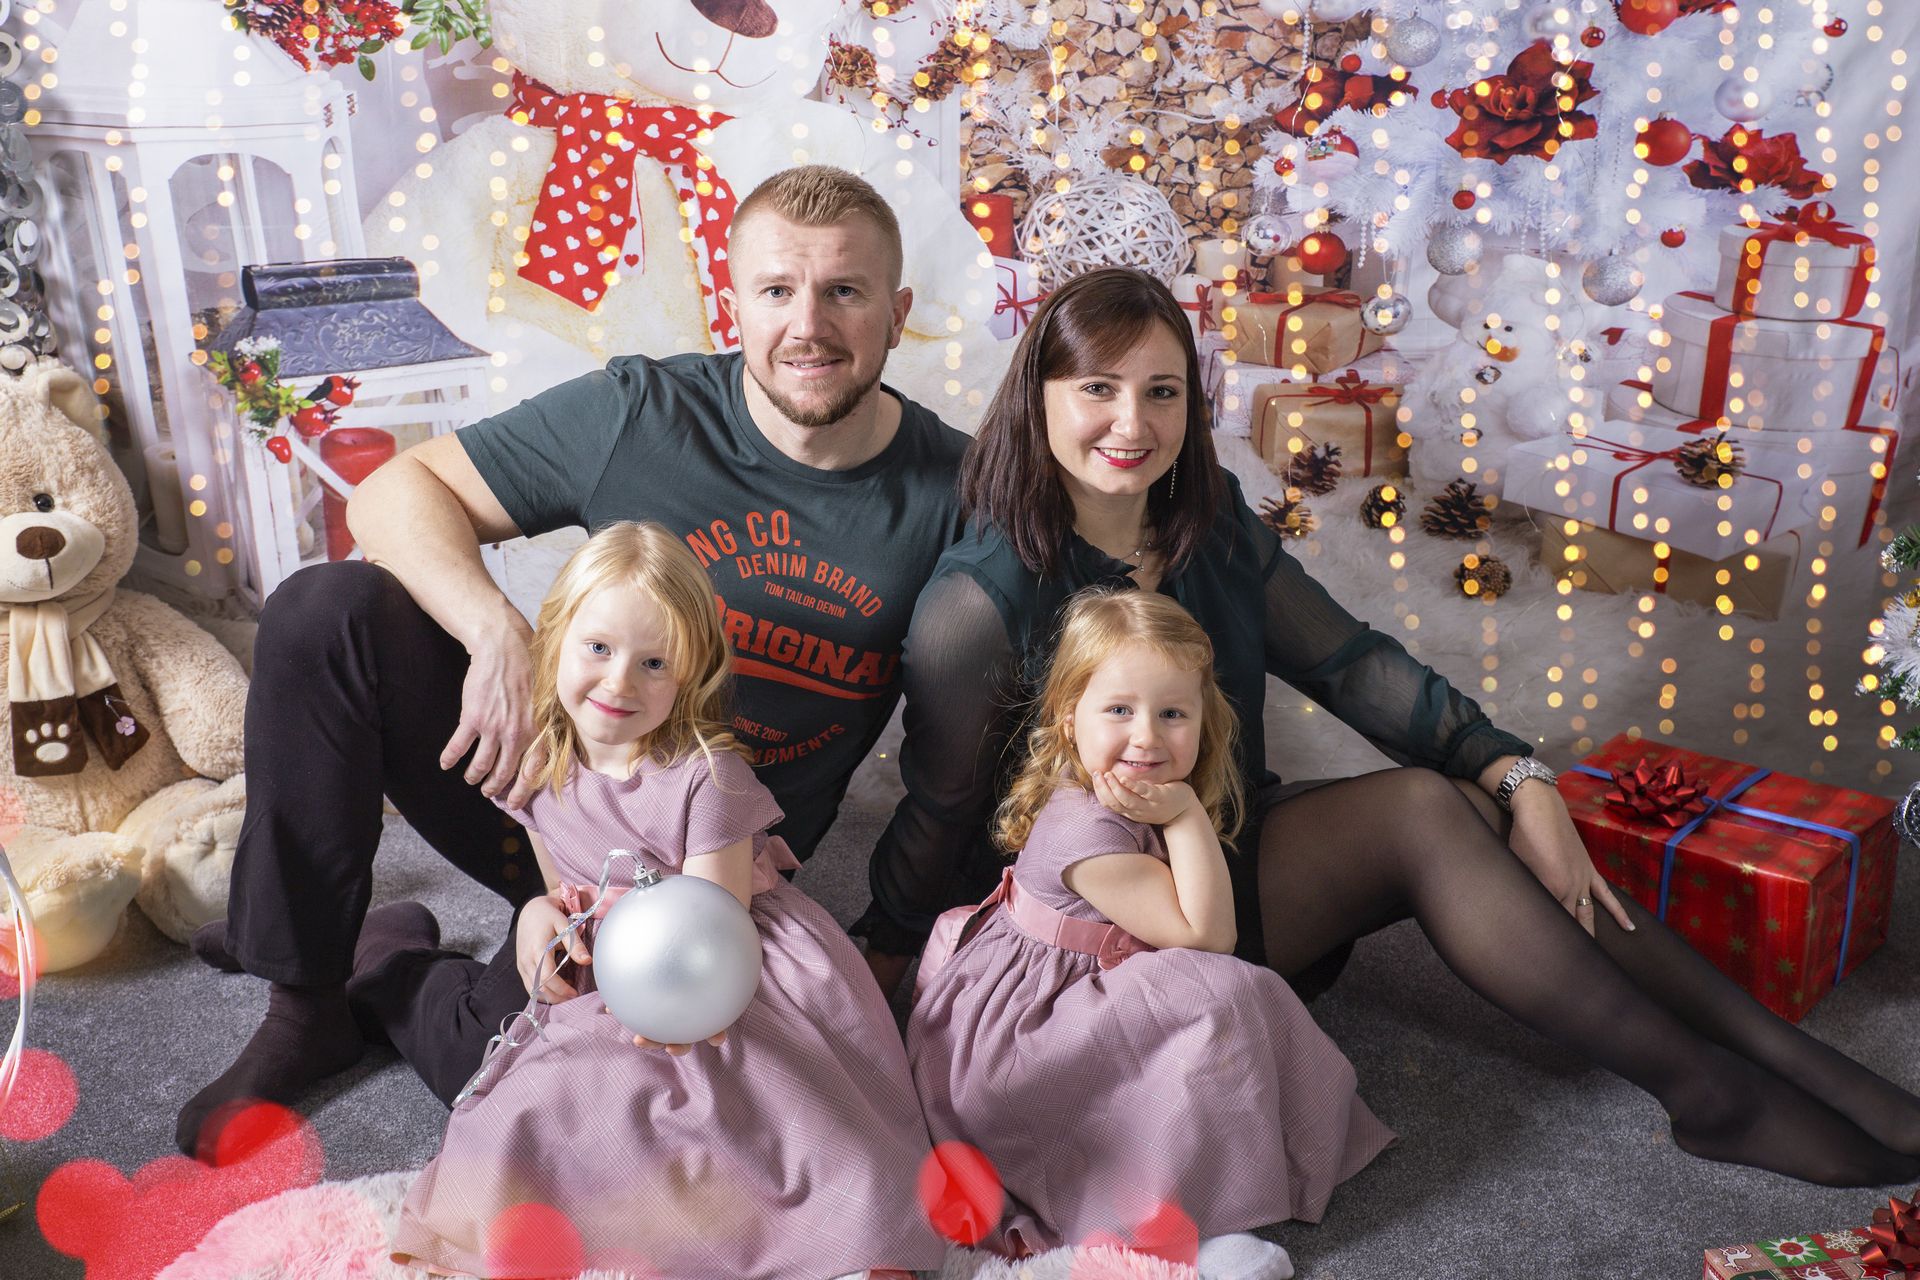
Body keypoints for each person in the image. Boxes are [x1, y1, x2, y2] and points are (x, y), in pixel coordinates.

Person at [863, 266, 1920, 1189]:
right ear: (1038, 397)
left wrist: (1517, 775)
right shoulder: (978, 599)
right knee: (1423, 813)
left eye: (1161, 390)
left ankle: (1779, 1056)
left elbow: (1349, 662)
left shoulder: (1203, 518)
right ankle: (1708, 1094)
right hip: (1116, 931)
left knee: (1467, 802)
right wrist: (893, 960)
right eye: (1097, 388)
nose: (1130, 422)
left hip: (1221, 837)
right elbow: (942, 806)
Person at [177, 164, 972, 1157]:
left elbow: (989, 727)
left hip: (708, 864)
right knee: (324, 612)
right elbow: (390, 495)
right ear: (735, 301)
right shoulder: (643, 413)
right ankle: (302, 998)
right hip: (546, 793)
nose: (807, 325)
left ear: (898, 312)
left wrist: (904, 937)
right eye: (777, 289)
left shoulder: (957, 489)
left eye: (844, 291)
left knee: (542, 1093)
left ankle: (388, 971)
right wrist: (496, 633)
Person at [390, 523, 941, 1280]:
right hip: (615, 963)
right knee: (531, 1106)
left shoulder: (704, 778)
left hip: (721, 975)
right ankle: (392, 972)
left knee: (757, 1125)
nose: (619, 684)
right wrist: (540, 915)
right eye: (598, 649)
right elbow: (561, 886)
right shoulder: (541, 763)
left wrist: (663, 1009)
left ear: (690, 676)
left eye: (654, 664)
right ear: (554, 641)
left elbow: (711, 932)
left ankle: (831, 1239)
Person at [908, 587, 1391, 1264]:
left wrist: (1181, 811)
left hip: (1079, 979)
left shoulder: (1123, 788)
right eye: (1120, 710)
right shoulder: (1087, 835)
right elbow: (1209, 940)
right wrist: (1187, 815)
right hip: (1025, 1032)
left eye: (1172, 713)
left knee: (1218, 1000)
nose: (1147, 736)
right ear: (1070, 718)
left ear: (1202, 718)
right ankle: (1160, 1196)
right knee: (1223, 994)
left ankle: (1212, 1161)